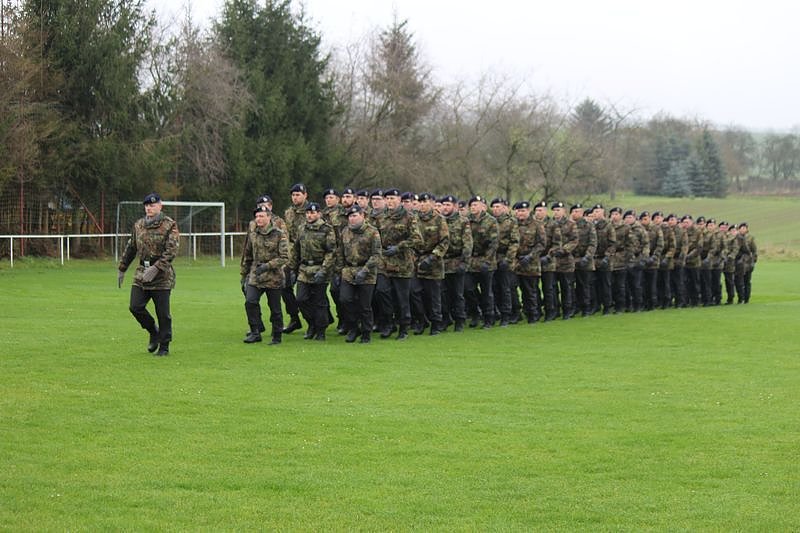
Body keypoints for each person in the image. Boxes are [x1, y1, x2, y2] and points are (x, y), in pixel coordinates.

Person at [118, 193, 180, 356]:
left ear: (160, 205)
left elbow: (172, 250)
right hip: (142, 273)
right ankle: (153, 331)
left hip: (162, 276)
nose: (148, 208)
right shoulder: (139, 225)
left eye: (152, 205)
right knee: (135, 306)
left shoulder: (169, 225)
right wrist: (122, 267)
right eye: (146, 205)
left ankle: (164, 346)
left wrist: (157, 267)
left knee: (163, 314)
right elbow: (131, 247)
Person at [376, 188, 423, 340]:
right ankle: (389, 323)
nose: (390, 201)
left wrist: (398, 247)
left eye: (393, 199)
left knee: (402, 297)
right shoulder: (380, 217)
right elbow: (375, 236)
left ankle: (404, 327)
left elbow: (417, 238)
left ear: (399, 200)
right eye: (388, 198)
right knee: (382, 291)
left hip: (402, 262)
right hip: (384, 262)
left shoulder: (409, 217)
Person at [241, 206, 289, 345]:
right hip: (256, 275)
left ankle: (277, 336)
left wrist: (267, 266)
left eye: (261, 216)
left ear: (269, 217)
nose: (258, 219)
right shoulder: (253, 235)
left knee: (275, 308)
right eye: (257, 216)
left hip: (274, 276)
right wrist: (244, 275)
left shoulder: (279, 234)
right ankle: (255, 332)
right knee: (250, 302)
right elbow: (248, 256)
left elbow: (284, 257)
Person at [290, 202, 337, 340]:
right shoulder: (302, 228)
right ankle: (312, 324)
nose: (310, 215)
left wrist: (324, 270)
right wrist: (292, 269)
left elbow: (331, 252)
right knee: (301, 299)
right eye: (308, 213)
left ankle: (321, 330)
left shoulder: (326, 229)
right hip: (304, 269)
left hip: (320, 268)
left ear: (319, 214)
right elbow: (296, 250)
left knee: (319, 301)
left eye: (313, 213)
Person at [338, 205, 382, 343]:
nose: (352, 219)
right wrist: (340, 271)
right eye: (350, 216)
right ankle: (353, 327)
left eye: (355, 216)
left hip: (366, 271)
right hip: (349, 270)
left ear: (362, 216)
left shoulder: (372, 232)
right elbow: (340, 252)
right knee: (345, 300)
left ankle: (366, 332)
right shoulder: (345, 231)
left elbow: (376, 255)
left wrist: (365, 270)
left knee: (365, 305)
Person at [410, 193, 449, 335]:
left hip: (433, 262)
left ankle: (436, 323)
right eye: (420, 202)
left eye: (425, 202)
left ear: (432, 203)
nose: (422, 205)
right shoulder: (413, 219)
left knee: (433, 295)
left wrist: (433, 257)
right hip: (416, 261)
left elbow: (444, 241)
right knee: (414, 291)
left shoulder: (439, 219)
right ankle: (422, 320)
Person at [439, 195, 472, 331]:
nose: (445, 208)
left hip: (457, 261)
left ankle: (460, 319)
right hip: (442, 263)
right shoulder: (439, 221)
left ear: (455, 206)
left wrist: (464, 262)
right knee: (442, 294)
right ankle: (446, 318)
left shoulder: (463, 221)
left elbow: (467, 244)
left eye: (448, 205)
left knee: (457, 294)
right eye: (443, 205)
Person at [465, 195, 499, 328]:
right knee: (468, 289)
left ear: (482, 206)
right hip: (471, 261)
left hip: (486, 261)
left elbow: (493, 243)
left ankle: (489, 317)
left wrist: (487, 261)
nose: (473, 207)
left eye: (476, 205)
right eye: (471, 205)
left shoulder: (491, 221)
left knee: (486, 292)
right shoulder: (466, 220)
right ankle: (475, 313)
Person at [513, 201, 547, 323]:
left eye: (523, 211)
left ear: (528, 211)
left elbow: (541, 244)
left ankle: (534, 314)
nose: (520, 213)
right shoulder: (513, 224)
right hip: (516, 262)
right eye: (518, 211)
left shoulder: (536, 224)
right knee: (516, 289)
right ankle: (522, 312)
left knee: (530, 290)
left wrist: (530, 256)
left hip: (531, 263)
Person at [282, 183, 309, 334]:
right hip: (292, 257)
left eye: (298, 194)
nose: (295, 197)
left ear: (305, 195)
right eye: (293, 195)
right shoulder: (288, 213)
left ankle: (318, 321)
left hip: (309, 255)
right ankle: (294, 318)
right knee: (285, 286)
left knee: (309, 293)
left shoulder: (312, 211)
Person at [490, 198, 519, 326]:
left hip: (505, 258)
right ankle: (497, 311)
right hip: (492, 259)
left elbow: (514, 242)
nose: (496, 209)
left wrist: (508, 259)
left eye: (498, 207)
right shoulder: (490, 221)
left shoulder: (511, 222)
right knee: (494, 287)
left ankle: (507, 314)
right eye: (494, 207)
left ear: (503, 208)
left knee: (506, 288)